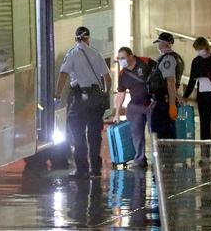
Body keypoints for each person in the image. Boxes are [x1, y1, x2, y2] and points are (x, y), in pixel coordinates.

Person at [54, 26, 112, 179]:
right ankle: (96, 169)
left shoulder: (72, 54)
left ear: (76, 38)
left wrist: (57, 95)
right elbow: (108, 79)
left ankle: (82, 169)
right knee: (94, 135)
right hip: (95, 98)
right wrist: (105, 94)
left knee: (78, 134)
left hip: (79, 98)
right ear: (88, 38)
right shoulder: (96, 54)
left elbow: (63, 75)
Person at [112, 47, 156, 167]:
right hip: (135, 106)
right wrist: (117, 113)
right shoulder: (123, 74)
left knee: (155, 134)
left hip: (152, 105)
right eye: (119, 58)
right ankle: (140, 159)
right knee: (136, 135)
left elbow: (162, 76)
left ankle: (157, 159)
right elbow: (121, 93)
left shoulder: (146, 62)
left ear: (131, 56)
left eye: (123, 58)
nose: (121, 61)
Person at [147, 32, 184, 139]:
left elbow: (170, 82)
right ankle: (166, 154)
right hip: (163, 101)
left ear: (164, 44)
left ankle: (166, 155)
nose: (158, 46)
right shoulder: (170, 58)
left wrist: (172, 105)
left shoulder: (169, 59)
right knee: (163, 132)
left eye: (159, 43)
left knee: (162, 133)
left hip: (164, 102)